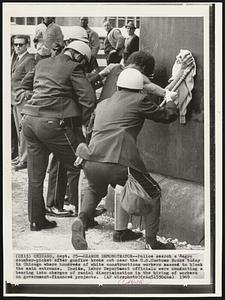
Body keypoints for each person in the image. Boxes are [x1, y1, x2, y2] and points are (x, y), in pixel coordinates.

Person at [71, 67, 179, 250]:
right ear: (139, 88)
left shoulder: (103, 103)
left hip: (91, 160)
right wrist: (169, 100)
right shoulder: (140, 99)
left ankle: (83, 220)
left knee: (95, 190)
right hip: (119, 160)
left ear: (118, 86)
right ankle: (152, 242)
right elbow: (167, 116)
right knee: (153, 192)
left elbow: (90, 131)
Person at [20, 40, 96, 231]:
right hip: (53, 123)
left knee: (35, 176)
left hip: (29, 120)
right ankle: (84, 218)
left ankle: (36, 220)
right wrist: (83, 124)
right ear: (79, 56)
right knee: (79, 166)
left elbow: (25, 83)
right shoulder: (74, 66)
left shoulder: (42, 63)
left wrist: (46, 94)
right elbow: (88, 99)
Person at [11, 35, 36, 171]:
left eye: (21, 45)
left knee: (23, 130)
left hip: (22, 99)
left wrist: (26, 94)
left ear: (27, 45)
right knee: (18, 129)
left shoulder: (29, 60)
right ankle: (21, 156)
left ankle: (25, 159)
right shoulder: (17, 59)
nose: (18, 47)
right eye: (15, 45)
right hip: (14, 98)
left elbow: (32, 80)